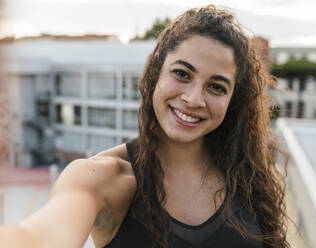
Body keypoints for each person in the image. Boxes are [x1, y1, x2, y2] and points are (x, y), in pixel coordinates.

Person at [0, 5, 290, 248]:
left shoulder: (246, 173)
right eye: (182, 73)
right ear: (155, 74)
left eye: (216, 87)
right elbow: (38, 237)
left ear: (232, 101)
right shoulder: (103, 178)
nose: (193, 99)